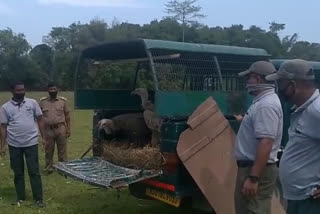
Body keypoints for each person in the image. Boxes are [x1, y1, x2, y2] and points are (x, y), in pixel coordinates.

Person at [266, 59, 320, 214]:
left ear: (293, 85)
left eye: (281, 84)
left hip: (311, 201)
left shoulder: (316, 111)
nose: (278, 89)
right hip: (299, 198)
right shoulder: (303, 109)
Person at [234, 61, 283, 214]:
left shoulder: (266, 105)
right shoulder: (263, 102)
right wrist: (245, 122)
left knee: (255, 210)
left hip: (256, 169)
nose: (247, 82)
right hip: (253, 167)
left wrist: (253, 177)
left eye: (249, 78)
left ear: (258, 79)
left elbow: (266, 142)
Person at [0, 81, 45, 207]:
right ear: (12, 91)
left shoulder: (32, 103)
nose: (21, 92)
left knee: (34, 171)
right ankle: (20, 197)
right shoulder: (5, 107)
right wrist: (2, 145)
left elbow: (40, 119)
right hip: (14, 144)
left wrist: (43, 137)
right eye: (18, 90)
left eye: (23, 90)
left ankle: (38, 199)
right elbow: (3, 127)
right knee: (18, 172)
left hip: (31, 142)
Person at [39, 82, 70, 174]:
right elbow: (39, 117)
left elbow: (67, 115)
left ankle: (63, 168)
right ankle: (49, 167)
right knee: (48, 149)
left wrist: (68, 129)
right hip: (48, 129)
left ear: (58, 90)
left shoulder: (62, 101)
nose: (53, 91)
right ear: (48, 90)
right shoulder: (43, 102)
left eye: (54, 89)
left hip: (60, 128)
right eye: (51, 89)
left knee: (62, 150)